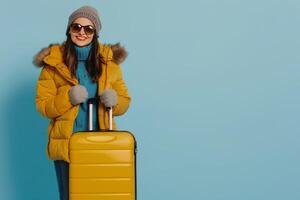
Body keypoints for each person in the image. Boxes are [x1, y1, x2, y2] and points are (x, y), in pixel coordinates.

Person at [33, 5, 131, 200]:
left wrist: (115, 101)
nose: (82, 32)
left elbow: (124, 102)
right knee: (70, 197)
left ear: (96, 33)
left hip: (101, 145)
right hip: (67, 145)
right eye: (76, 27)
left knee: (101, 196)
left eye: (88, 29)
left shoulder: (109, 63)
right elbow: (43, 106)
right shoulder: (53, 65)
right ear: (69, 29)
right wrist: (67, 98)